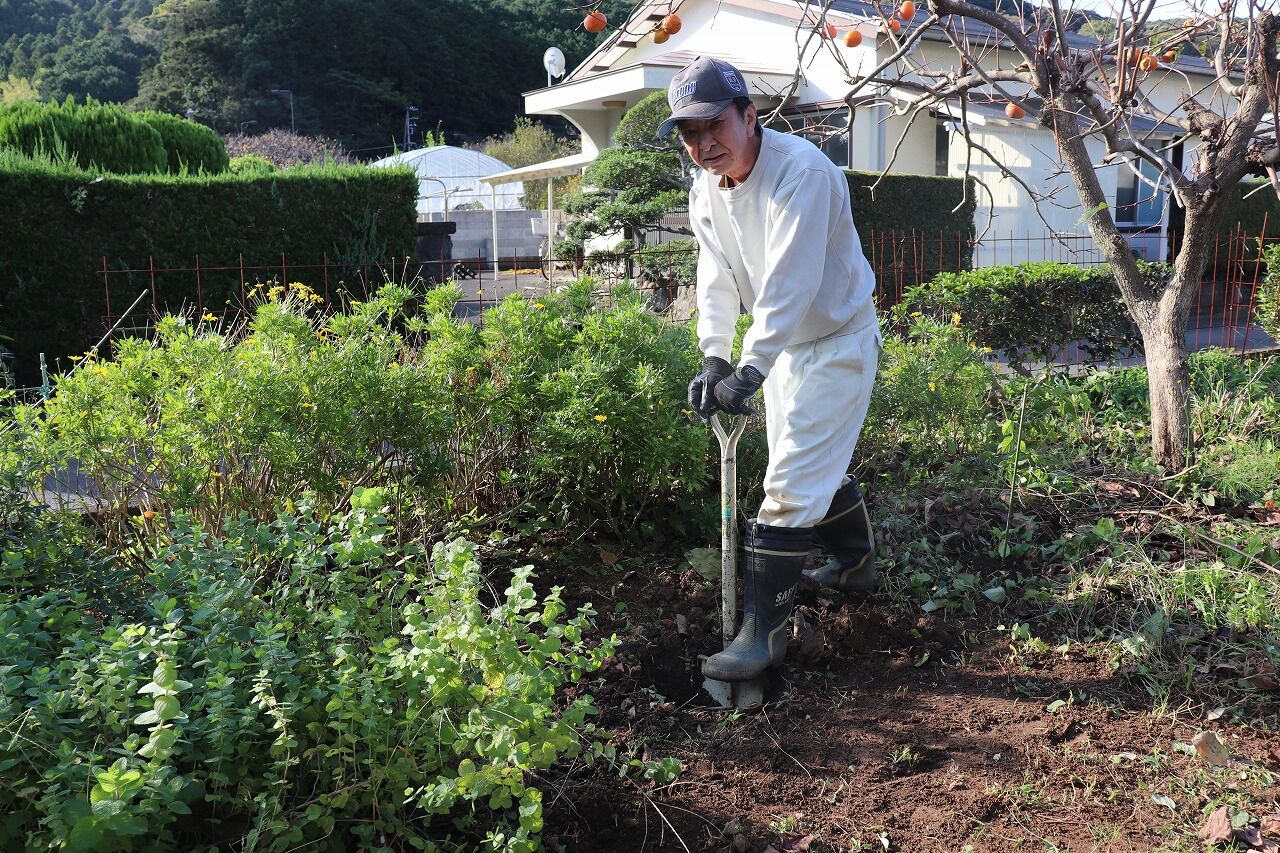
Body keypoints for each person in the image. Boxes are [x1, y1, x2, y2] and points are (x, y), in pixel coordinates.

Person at [659, 56, 882, 683]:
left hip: (836, 339)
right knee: (807, 461)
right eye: (690, 133)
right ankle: (855, 565)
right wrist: (714, 353)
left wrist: (751, 368)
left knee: (788, 485)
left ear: (750, 116)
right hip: (783, 346)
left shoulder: (801, 174)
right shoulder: (708, 186)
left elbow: (788, 283)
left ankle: (763, 637)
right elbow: (716, 275)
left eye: (714, 126)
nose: (704, 144)